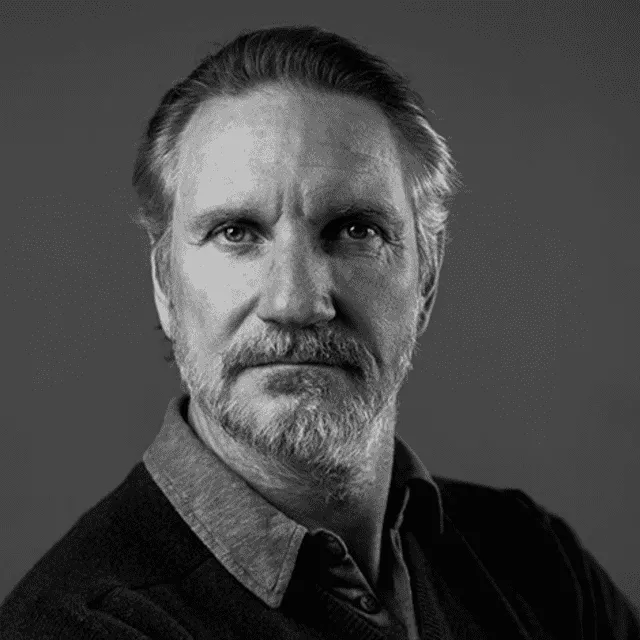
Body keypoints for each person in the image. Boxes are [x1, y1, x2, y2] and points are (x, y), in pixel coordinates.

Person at [1, 24, 638, 640]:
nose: (295, 302)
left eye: (356, 230)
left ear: (426, 278)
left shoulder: (539, 564)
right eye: (235, 233)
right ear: (165, 284)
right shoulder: (81, 626)